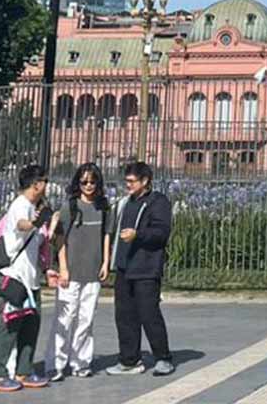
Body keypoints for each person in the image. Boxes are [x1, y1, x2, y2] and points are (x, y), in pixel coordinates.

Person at [0, 163, 53, 393]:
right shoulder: (20, 205)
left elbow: (38, 241)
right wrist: (34, 223)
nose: (46, 185)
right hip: (15, 278)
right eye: (44, 181)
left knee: (30, 326)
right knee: (8, 326)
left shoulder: (33, 206)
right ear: (36, 184)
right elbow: (21, 225)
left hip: (31, 279)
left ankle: (24, 370)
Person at [107, 161, 174, 378]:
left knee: (149, 314)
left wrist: (138, 235)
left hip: (146, 268)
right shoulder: (125, 203)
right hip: (124, 267)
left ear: (145, 181)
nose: (128, 185)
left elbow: (161, 233)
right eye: (126, 181)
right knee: (124, 316)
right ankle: (129, 360)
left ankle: (163, 358)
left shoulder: (158, 202)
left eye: (132, 181)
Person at [51, 162, 113, 380]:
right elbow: (60, 238)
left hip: (93, 272)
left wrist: (106, 262)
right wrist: (63, 268)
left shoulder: (104, 207)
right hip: (70, 272)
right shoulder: (70, 206)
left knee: (86, 320)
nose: (88, 185)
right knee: (64, 319)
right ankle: (56, 364)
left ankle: (81, 363)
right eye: (84, 181)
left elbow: (107, 235)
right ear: (78, 182)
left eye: (93, 181)